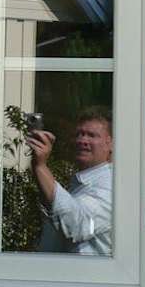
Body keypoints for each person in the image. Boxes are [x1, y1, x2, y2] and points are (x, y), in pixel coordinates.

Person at [26, 107, 113, 255]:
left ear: (111, 144)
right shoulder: (83, 183)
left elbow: (76, 224)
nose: (82, 140)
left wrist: (40, 166)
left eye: (92, 135)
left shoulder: (111, 185)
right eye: (79, 134)